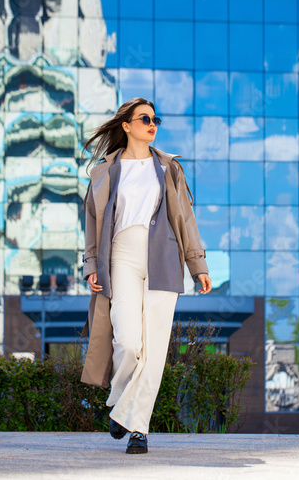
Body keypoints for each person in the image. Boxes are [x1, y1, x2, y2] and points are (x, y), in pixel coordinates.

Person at [80, 97, 212, 454]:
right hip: (121, 253)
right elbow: (92, 225)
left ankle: (137, 428)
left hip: (164, 256)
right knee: (128, 342)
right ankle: (122, 401)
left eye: (156, 119)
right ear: (126, 125)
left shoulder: (169, 168)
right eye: (145, 119)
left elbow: (184, 218)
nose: (152, 124)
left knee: (153, 350)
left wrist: (197, 265)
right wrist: (91, 265)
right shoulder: (104, 171)